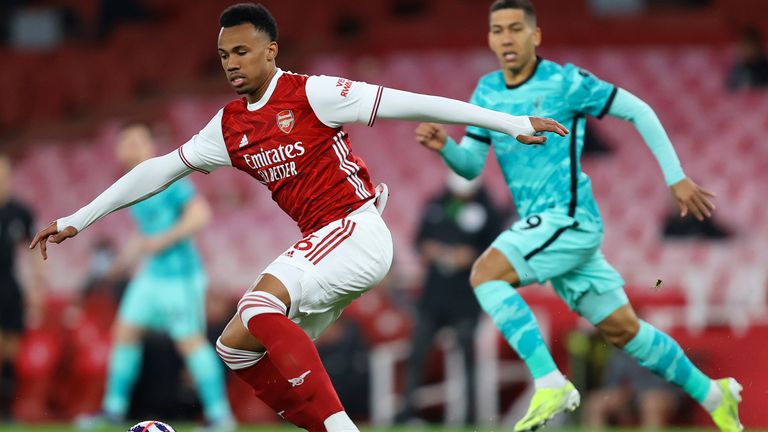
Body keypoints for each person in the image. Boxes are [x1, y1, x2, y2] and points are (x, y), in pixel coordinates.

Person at [28, 3, 568, 431]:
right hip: (326, 241)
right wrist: (80, 217)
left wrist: (509, 122)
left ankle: (339, 429)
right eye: (223, 55)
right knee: (236, 346)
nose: (232, 63)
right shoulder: (230, 126)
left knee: (258, 302)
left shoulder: (311, 93)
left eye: (243, 51)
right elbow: (160, 170)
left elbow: (412, 101)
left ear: (272, 51)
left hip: (355, 229)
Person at [413, 1, 742, 431]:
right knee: (625, 332)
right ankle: (714, 394)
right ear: (490, 38)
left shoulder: (566, 83)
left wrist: (676, 178)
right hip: (548, 230)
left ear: (536, 36)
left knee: (484, 274)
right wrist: (446, 149)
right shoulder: (487, 91)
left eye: (516, 28)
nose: (507, 38)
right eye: (498, 30)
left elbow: (638, 110)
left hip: (568, 220)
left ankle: (551, 382)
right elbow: (472, 166)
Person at [75, 123, 235, 431]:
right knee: (124, 332)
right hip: (151, 275)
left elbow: (200, 214)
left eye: (136, 140)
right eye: (125, 142)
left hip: (180, 277)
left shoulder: (167, 175)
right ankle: (114, 410)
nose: (130, 147)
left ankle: (220, 415)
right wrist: (122, 263)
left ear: (149, 145)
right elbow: (146, 232)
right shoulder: (134, 184)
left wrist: (163, 240)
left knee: (188, 342)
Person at [396, 172, 503, 425]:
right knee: (417, 351)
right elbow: (419, 239)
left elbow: (496, 249)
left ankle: (469, 416)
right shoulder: (437, 205)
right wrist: (430, 249)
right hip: (434, 296)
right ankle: (408, 410)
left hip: (466, 297)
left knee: (466, 354)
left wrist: (474, 255)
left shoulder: (489, 212)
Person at [0, 155, 44, 422]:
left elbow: (35, 249)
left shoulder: (20, 211)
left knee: (12, 349)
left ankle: (6, 409)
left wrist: (37, 286)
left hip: (8, 283)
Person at [726, 27, 768, 91]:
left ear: (758, 45)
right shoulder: (738, 69)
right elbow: (729, 90)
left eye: (748, 44)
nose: (745, 49)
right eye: (742, 45)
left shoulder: (765, 68)